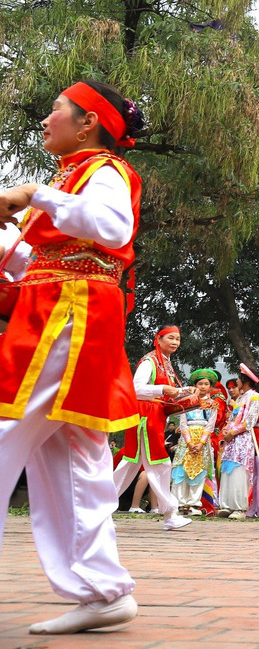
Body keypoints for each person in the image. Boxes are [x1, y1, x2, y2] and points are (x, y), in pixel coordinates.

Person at [0, 80, 147, 633]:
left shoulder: (103, 171)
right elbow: (30, 266)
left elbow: (112, 229)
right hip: (61, 311)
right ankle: (102, 589)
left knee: (9, 432)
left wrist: (35, 193)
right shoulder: (74, 178)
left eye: (56, 109)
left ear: (87, 123)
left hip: (68, 314)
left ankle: (99, 588)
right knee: (71, 457)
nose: (46, 118)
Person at [112, 325, 191, 531]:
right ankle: (170, 513)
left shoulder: (165, 362)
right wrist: (163, 388)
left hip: (153, 417)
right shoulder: (149, 361)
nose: (175, 342)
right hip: (145, 417)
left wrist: (184, 391)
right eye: (171, 338)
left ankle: (96, 509)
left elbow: (166, 392)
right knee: (161, 464)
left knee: (129, 465)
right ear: (159, 338)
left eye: (178, 339)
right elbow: (136, 388)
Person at [170, 369, 220, 514]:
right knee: (181, 469)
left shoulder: (213, 404)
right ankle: (179, 503)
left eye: (206, 384)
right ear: (195, 385)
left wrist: (201, 443)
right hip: (186, 440)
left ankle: (193, 503)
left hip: (202, 440)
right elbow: (183, 423)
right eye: (200, 384)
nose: (203, 387)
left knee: (199, 471)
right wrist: (190, 442)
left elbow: (211, 425)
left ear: (210, 387)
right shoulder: (187, 402)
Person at [217, 368, 259, 519]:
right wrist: (226, 431)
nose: (236, 381)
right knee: (227, 468)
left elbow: (249, 421)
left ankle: (239, 508)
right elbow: (232, 419)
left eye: (239, 378)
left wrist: (232, 432)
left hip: (242, 439)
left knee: (239, 471)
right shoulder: (240, 398)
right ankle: (226, 505)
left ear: (246, 380)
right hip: (231, 439)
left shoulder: (255, 397)